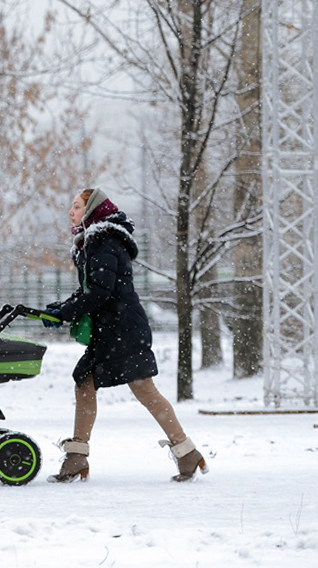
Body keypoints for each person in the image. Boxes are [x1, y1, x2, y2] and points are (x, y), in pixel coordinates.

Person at [42, 187, 208, 483]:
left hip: (121, 329)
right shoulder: (93, 241)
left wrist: (68, 312)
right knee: (87, 383)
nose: (71, 212)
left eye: (77, 206)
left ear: (92, 209)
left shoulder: (102, 239)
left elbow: (101, 291)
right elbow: (92, 289)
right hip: (113, 329)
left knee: (142, 388)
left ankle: (186, 452)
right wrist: (62, 307)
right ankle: (78, 456)